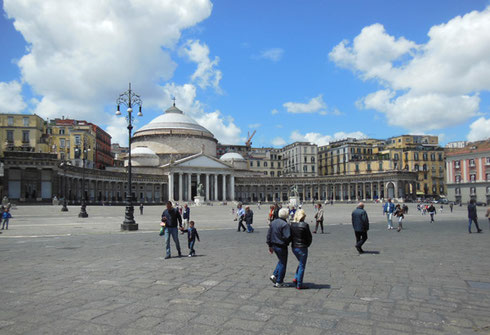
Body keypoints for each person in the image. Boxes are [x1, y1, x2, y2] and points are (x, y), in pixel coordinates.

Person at [266, 208, 291, 288]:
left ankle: (274, 275)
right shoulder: (285, 224)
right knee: (283, 263)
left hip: (274, 245)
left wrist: (269, 245)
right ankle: (279, 281)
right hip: (281, 246)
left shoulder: (273, 222)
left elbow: (268, 235)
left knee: (281, 261)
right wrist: (286, 243)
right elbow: (287, 237)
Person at [290, 209, 312, 290]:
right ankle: (299, 284)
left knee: (300, 263)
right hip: (302, 248)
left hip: (294, 247)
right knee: (302, 265)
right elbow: (309, 237)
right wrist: (307, 245)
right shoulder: (305, 225)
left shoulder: (292, 225)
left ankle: (296, 278)